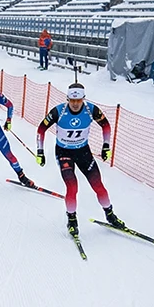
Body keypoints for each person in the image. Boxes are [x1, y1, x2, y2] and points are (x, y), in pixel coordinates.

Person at [35, 82, 125, 236]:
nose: (75, 104)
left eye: (78, 101)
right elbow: (41, 129)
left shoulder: (91, 110)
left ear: (84, 99)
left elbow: (106, 126)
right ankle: (71, 220)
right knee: (72, 186)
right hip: (64, 152)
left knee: (98, 185)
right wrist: (40, 151)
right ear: (67, 99)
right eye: (72, 100)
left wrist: (106, 146)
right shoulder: (59, 111)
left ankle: (110, 215)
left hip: (83, 151)